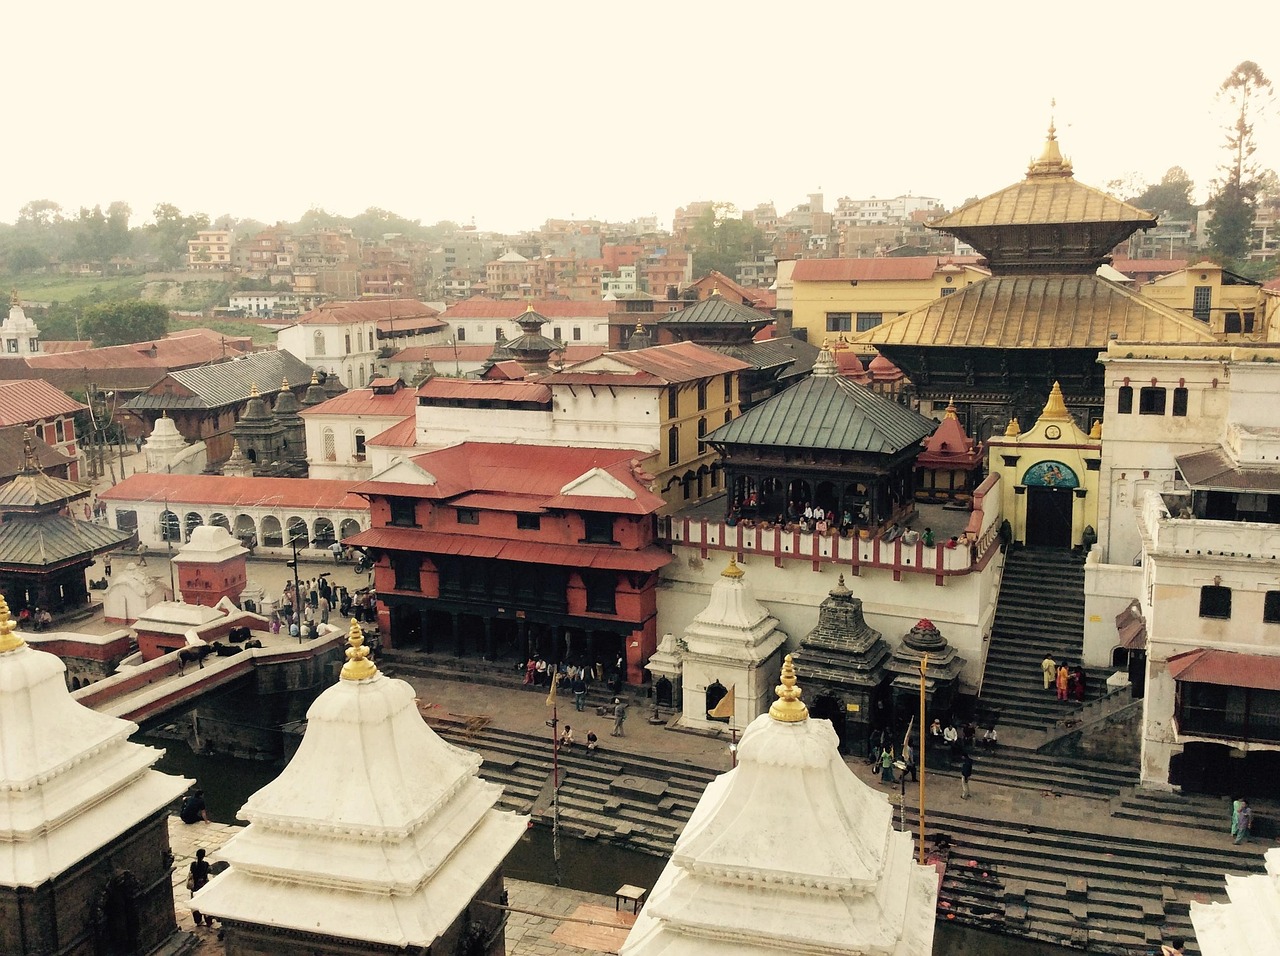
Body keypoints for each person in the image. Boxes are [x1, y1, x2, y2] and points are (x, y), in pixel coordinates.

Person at [189, 848, 212, 927]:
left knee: (196, 904)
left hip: (195, 887)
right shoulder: (205, 864)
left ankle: (198, 920)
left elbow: (191, 873)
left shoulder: (193, 865)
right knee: (206, 903)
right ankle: (208, 921)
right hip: (203, 887)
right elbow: (210, 870)